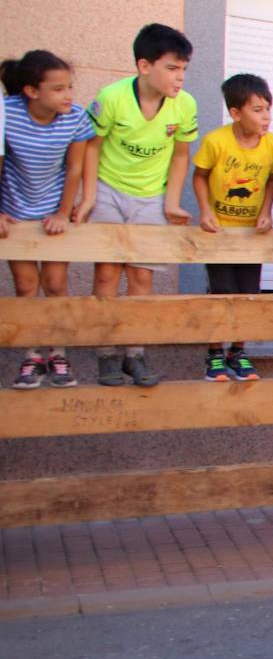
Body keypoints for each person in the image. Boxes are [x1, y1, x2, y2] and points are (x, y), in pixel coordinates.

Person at [75, 23, 198, 388]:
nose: (179, 78)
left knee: (142, 276)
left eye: (184, 70)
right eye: (172, 68)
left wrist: (172, 201)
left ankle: (135, 352)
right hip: (109, 189)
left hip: (151, 195)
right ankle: (107, 354)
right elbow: (91, 146)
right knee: (107, 274)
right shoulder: (111, 97)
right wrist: (90, 196)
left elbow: (180, 156)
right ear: (145, 66)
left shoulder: (185, 104)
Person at [0, 50, 96, 388]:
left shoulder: (76, 118)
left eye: (70, 86)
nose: (68, 95)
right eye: (58, 89)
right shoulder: (6, 113)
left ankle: (58, 354)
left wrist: (61, 213)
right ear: (31, 91)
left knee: (55, 284)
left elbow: (74, 169)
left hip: (53, 212)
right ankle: (31, 358)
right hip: (15, 212)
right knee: (26, 286)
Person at [191, 73, 273, 383]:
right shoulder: (216, 141)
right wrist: (205, 212)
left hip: (251, 236)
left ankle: (239, 352)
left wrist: (267, 212)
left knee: (248, 295)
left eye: (268, 108)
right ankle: (215, 353)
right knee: (221, 293)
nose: (266, 116)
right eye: (257, 109)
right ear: (235, 113)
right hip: (220, 233)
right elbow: (200, 176)